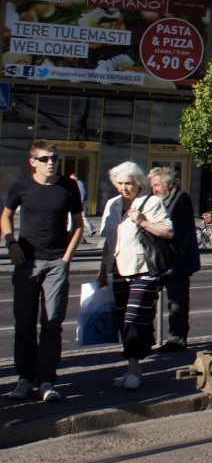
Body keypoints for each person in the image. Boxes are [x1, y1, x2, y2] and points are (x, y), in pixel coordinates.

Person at [3, 140, 85, 402]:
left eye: (54, 158)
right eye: (45, 159)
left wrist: (65, 259)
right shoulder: (22, 186)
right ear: (33, 162)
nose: (51, 162)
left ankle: (46, 379)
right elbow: (5, 215)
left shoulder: (68, 187)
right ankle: (25, 378)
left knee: (52, 324)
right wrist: (11, 242)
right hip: (26, 263)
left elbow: (80, 225)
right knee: (24, 323)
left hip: (55, 264)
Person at [95, 161, 175, 390]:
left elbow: (168, 231)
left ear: (138, 183)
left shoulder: (151, 202)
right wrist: (102, 271)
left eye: (128, 183)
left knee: (134, 318)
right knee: (123, 320)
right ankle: (135, 367)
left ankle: (132, 370)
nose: (123, 188)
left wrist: (142, 221)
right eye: (119, 183)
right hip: (118, 269)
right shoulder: (112, 204)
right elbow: (108, 241)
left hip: (143, 268)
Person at [149, 167, 200, 351]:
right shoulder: (159, 201)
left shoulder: (180, 200)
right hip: (162, 261)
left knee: (176, 302)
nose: (154, 189)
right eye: (152, 185)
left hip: (177, 261)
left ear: (168, 185)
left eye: (157, 185)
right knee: (149, 298)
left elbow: (172, 229)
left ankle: (177, 338)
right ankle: (148, 337)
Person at [69, 173, 95, 238]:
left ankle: (92, 229)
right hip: (81, 202)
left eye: (72, 178)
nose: (71, 180)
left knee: (83, 217)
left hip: (81, 202)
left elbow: (83, 192)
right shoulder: (77, 183)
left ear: (75, 178)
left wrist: (81, 201)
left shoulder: (79, 183)